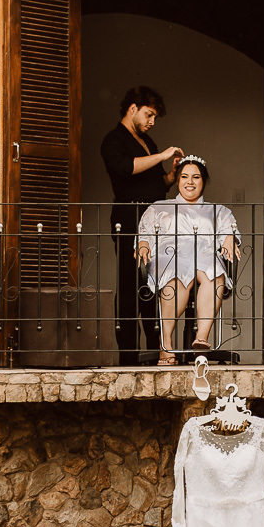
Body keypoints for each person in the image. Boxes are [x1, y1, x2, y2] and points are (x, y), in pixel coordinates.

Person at [100, 86, 183, 364]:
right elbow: (124, 169)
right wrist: (160, 157)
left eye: (155, 117)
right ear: (132, 109)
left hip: (156, 220)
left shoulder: (149, 141)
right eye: (149, 114)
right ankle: (128, 355)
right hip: (130, 219)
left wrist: (170, 176)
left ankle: (155, 350)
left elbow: (155, 183)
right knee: (129, 284)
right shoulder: (113, 140)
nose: (152, 121)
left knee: (155, 282)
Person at [137, 156, 240, 365]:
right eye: (184, 177)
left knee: (215, 273)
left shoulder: (218, 211)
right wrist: (143, 244)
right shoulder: (159, 207)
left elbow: (229, 230)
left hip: (204, 254)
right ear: (177, 181)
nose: (190, 182)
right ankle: (166, 345)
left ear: (204, 181)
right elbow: (144, 233)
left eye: (196, 177)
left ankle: (201, 339)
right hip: (170, 255)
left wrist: (229, 237)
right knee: (175, 276)